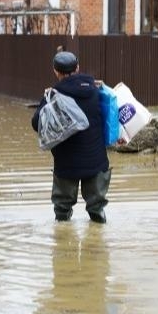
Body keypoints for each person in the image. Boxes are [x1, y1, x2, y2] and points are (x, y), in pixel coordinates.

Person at [31, 51, 111, 223]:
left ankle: (63, 244)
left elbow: (36, 122)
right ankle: (98, 243)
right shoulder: (96, 91)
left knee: (62, 211)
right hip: (96, 162)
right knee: (97, 209)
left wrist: (47, 101)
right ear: (78, 68)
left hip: (66, 165)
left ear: (55, 71)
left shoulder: (53, 96)